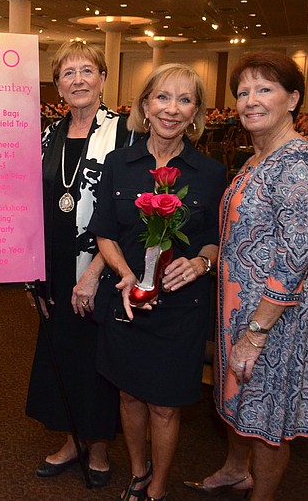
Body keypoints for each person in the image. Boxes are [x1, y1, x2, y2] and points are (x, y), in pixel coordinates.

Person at [184, 52, 308, 501]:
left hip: (274, 318)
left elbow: (292, 263)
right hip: (238, 309)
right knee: (237, 401)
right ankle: (234, 469)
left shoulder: (300, 164)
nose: (250, 100)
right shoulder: (258, 157)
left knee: (268, 419)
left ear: (293, 99)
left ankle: (260, 495)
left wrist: (256, 332)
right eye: (243, 91)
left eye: (264, 89)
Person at [90, 64, 226, 501]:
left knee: (165, 406)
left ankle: (158, 489)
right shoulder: (119, 164)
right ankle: (137, 471)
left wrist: (202, 264)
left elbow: (216, 242)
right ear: (145, 106)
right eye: (162, 98)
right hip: (128, 301)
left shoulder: (210, 172)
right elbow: (105, 232)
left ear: (195, 113)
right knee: (129, 397)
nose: (171, 109)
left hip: (181, 310)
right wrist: (126, 274)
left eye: (184, 100)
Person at [25, 40, 127, 486]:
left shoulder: (126, 135)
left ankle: (99, 446)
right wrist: (30, 273)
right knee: (60, 353)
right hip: (53, 264)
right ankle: (71, 440)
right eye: (69, 73)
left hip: (99, 267)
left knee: (96, 359)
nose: (79, 80)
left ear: (103, 79)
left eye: (88, 71)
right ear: (58, 85)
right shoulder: (47, 134)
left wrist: (94, 272)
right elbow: (28, 204)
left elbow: (129, 214)